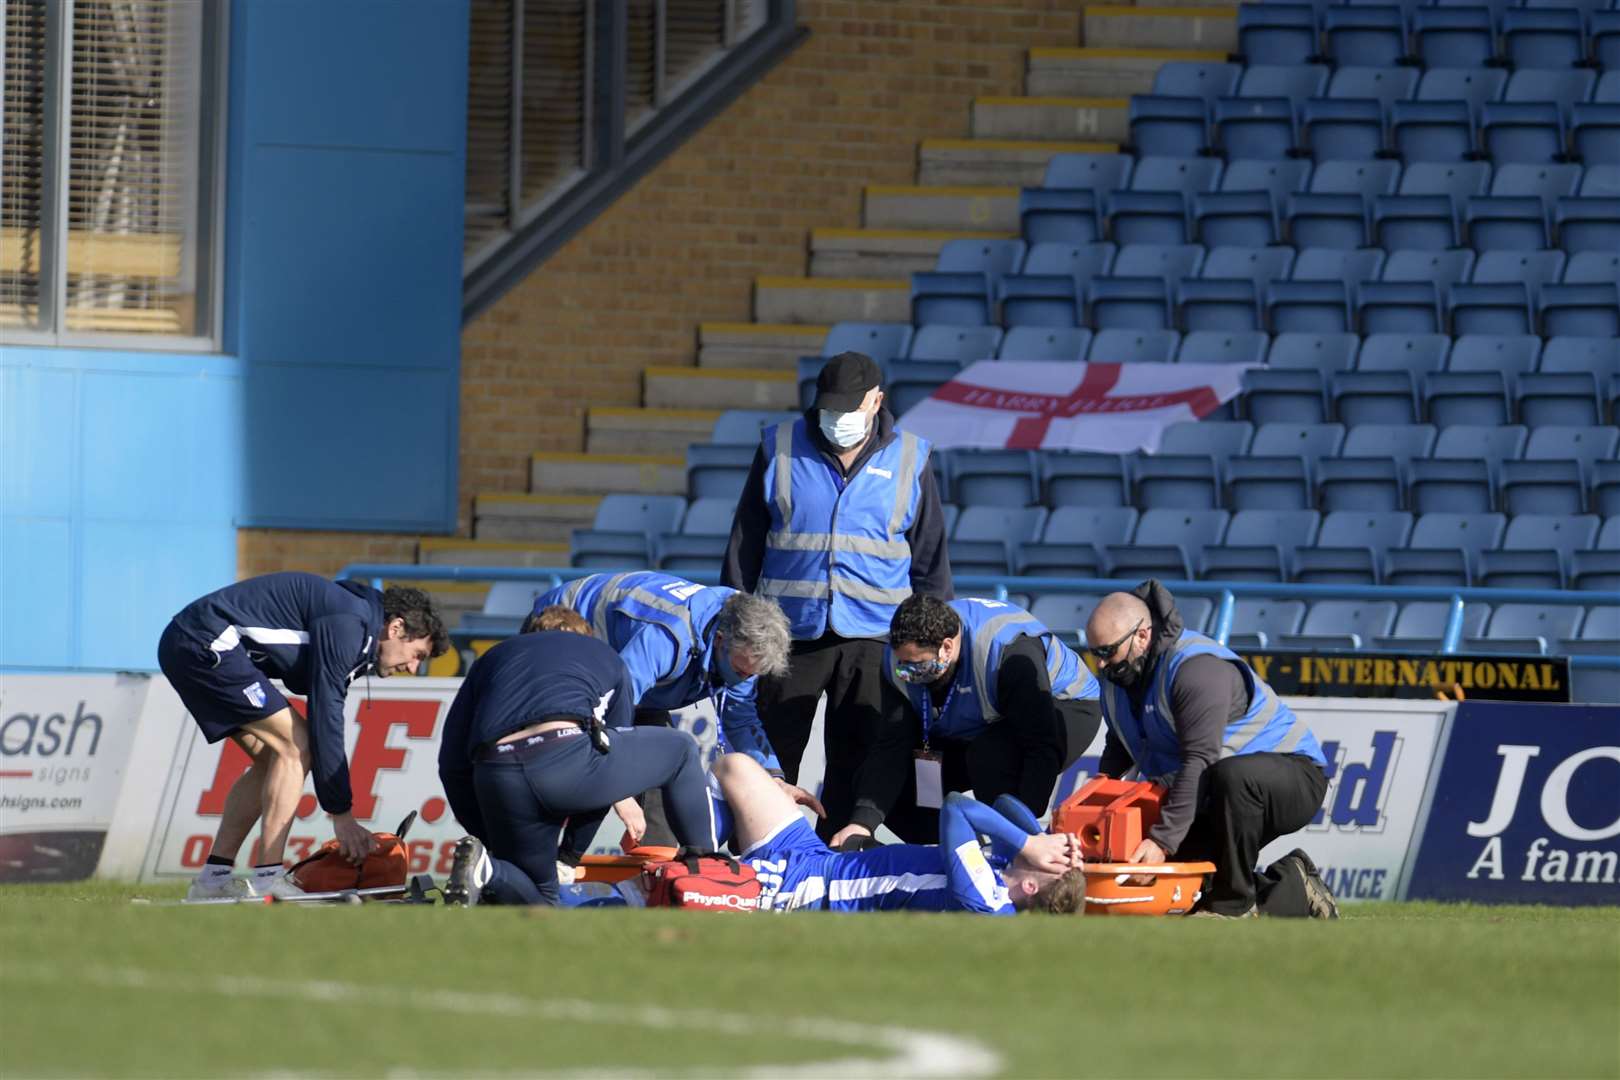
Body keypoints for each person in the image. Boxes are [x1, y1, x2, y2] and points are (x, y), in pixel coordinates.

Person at [722, 351, 953, 837]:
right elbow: (745, 543)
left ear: (876, 401)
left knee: (857, 755)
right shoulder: (779, 446)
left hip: (874, 636)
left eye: (848, 408)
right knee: (770, 754)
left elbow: (930, 558)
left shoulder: (912, 456)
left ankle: (838, 858)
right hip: (788, 634)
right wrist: (733, 624)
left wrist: (933, 638)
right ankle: (759, 855)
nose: (836, 419)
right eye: (828, 407)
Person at [157, 572, 449, 900]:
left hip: (191, 641)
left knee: (273, 759)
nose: (412, 668)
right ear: (395, 628)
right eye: (418, 655)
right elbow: (326, 716)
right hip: (205, 641)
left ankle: (213, 880)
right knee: (298, 746)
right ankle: (268, 878)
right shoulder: (349, 624)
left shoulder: (356, 624)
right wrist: (341, 814)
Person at [1083, 580, 1340, 918]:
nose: (1100, 664)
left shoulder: (1196, 669)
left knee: (1230, 778)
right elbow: (1119, 751)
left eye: (1107, 652)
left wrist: (1162, 842)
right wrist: (1093, 812)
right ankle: (1291, 882)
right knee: (1178, 890)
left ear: (1142, 636)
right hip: (1213, 788)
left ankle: (1233, 905)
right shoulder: (1117, 682)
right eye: (1094, 653)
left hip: (1290, 777)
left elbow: (1199, 761)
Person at [530, 572, 821, 851]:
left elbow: (741, 718)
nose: (742, 679)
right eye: (740, 671)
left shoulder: (743, 645)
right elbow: (611, 708)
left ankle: (656, 863)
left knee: (665, 758)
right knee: (581, 754)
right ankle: (544, 856)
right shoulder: (668, 637)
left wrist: (773, 777)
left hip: (629, 674)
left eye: (750, 675)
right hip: (563, 628)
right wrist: (621, 795)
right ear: (719, 641)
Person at [437, 629, 720, 906]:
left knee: (539, 895)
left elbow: (451, 765)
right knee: (681, 749)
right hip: (564, 757)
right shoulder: (605, 655)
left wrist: (486, 839)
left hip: (497, 770)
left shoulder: (493, 657)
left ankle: (488, 869)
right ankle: (708, 873)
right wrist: (572, 854)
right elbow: (607, 750)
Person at [831, 595, 1103, 846]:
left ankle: (1009, 849)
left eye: (918, 666)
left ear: (947, 647)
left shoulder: (1009, 653)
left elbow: (1040, 748)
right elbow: (891, 747)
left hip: (1065, 706)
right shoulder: (899, 663)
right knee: (874, 777)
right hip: (979, 719)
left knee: (989, 754)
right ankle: (954, 852)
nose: (909, 675)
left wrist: (1024, 835)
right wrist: (861, 824)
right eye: (904, 666)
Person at [713, 753, 1085, 914]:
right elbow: (1006, 804)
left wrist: (1030, 843)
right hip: (821, 859)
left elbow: (957, 806)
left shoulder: (986, 902)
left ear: (1032, 888)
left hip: (804, 890)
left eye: (1050, 864)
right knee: (735, 766)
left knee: (683, 881)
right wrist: (1050, 838)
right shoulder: (1007, 863)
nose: (1046, 855)